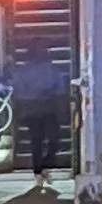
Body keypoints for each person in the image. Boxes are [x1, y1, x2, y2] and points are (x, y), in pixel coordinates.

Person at [9, 53, 66, 188]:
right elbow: (60, 90)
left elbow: (18, 91)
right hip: (46, 108)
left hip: (35, 109)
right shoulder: (52, 70)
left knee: (38, 141)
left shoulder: (24, 71)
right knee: (50, 140)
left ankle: (40, 170)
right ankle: (42, 168)